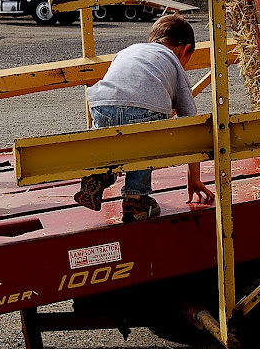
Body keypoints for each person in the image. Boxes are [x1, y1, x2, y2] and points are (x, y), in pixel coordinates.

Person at [74, 14, 215, 222]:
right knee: (147, 142)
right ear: (185, 50)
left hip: (101, 103)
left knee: (107, 134)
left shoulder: (128, 51)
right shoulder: (173, 61)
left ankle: (99, 173)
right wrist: (194, 178)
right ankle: (136, 198)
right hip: (145, 108)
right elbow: (191, 122)